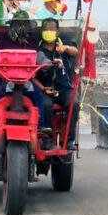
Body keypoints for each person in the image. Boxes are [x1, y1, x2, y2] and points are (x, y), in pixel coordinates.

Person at [0, 11, 48, 139]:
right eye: (18, 23)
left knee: (41, 103)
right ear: (12, 24)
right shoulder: (1, 38)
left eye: (24, 23)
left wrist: (50, 63)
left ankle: (41, 130)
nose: (21, 26)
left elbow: (41, 58)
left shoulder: (31, 42)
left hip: (26, 83)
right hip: (2, 82)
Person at [32, 18, 80, 150]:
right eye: (46, 29)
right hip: (45, 89)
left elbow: (75, 51)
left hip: (63, 89)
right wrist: (43, 88)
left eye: (52, 29)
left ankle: (68, 141)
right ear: (42, 31)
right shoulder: (37, 50)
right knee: (45, 105)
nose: (49, 32)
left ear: (57, 32)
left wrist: (65, 49)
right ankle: (47, 139)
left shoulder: (63, 44)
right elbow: (31, 75)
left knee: (74, 103)